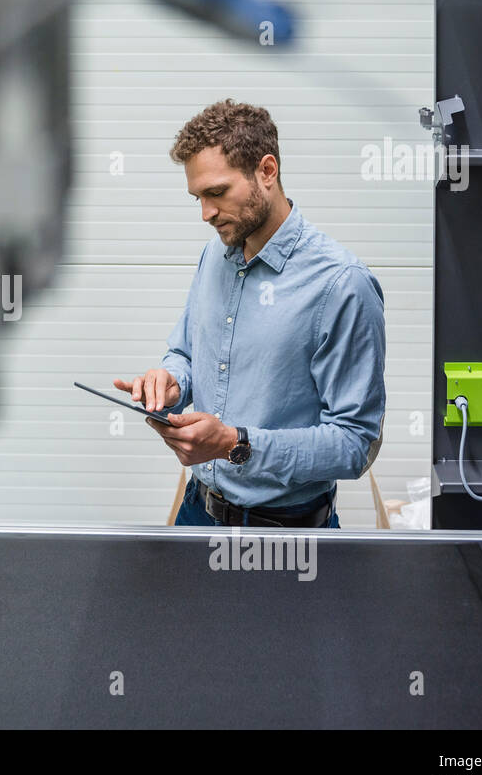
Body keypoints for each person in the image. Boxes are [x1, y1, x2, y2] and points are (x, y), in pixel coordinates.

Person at [115, 99, 385, 528]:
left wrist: (235, 444)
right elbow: (185, 353)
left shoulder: (341, 285)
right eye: (197, 197)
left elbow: (354, 445)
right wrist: (168, 383)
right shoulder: (214, 255)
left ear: (267, 171)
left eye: (217, 193)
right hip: (198, 511)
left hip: (288, 535)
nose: (205, 214)